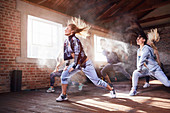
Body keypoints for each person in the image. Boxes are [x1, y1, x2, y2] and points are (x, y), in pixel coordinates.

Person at [56, 21, 116, 102]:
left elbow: (77, 54)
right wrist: (67, 65)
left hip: (85, 64)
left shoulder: (75, 40)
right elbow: (67, 54)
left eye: (67, 29)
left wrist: (73, 66)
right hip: (77, 64)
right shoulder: (66, 41)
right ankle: (63, 95)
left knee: (96, 82)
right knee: (64, 75)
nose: (65, 30)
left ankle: (111, 89)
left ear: (72, 31)